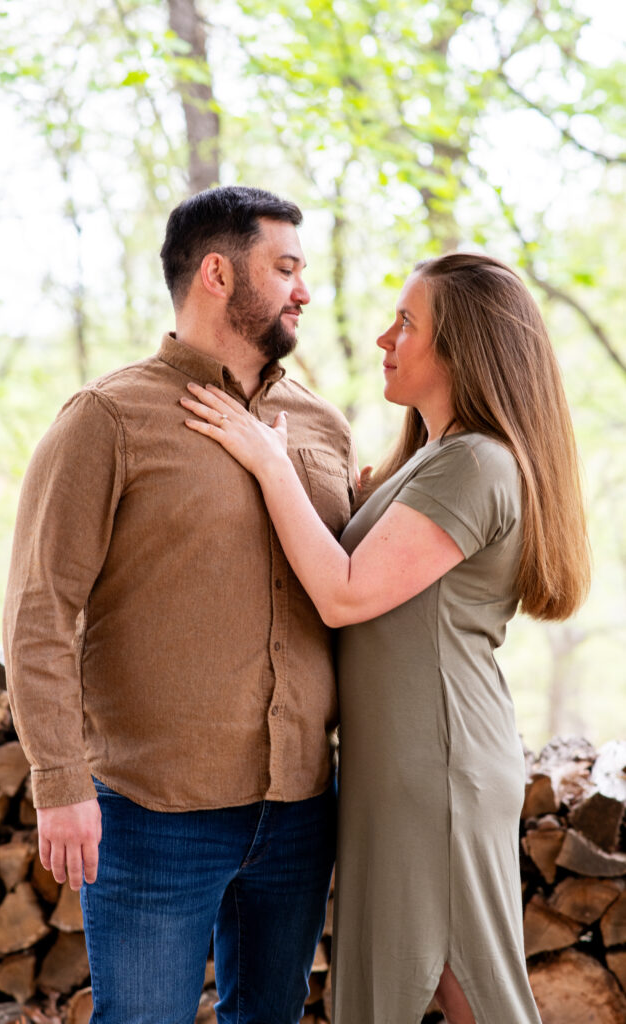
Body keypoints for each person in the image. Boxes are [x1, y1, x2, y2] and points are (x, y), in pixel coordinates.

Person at [181, 251, 591, 1024]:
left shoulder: (472, 463)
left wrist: (270, 463)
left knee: (463, 980)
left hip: (434, 763)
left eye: (406, 322)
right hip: (403, 760)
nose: (382, 338)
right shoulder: (437, 458)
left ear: (464, 347)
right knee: (422, 975)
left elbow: (341, 595)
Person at [3, 185, 356, 1024]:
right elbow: (39, 613)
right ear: (217, 274)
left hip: (301, 805)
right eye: (285, 268)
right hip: (154, 816)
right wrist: (59, 782)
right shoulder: (107, 419)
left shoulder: (321, 425)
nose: (304, 290)